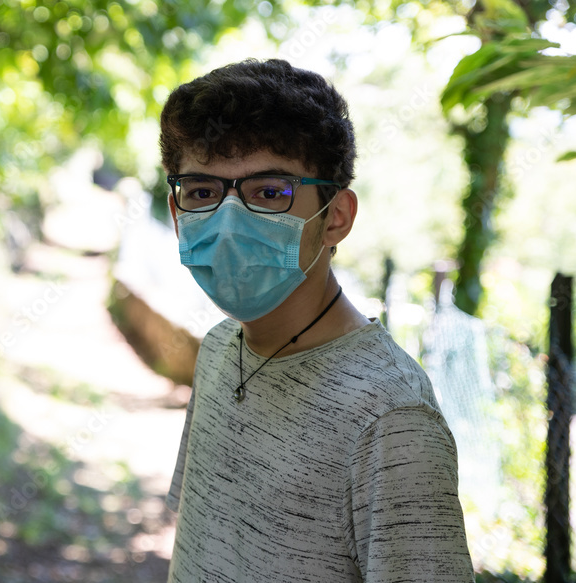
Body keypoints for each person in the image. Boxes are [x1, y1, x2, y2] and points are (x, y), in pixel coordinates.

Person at [159, 58, 474, 582]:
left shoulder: (389, 415)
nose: (229, 223)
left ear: (336, 217)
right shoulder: (219, 349)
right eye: (202, 192)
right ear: (177, 214)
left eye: (268, 192)